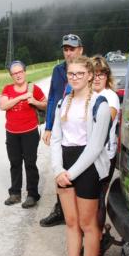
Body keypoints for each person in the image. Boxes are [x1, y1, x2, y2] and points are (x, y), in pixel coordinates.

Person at [49, 55, 110, 256]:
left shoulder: (100, 104)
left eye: (79, 74)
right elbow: (56, 138)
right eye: (71, 74)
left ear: (90, 76)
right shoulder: (64, 102)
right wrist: (57, 170)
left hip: (87, 168)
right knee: (71, 222)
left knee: (88, 224)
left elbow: (95, 147)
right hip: (64, 165)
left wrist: (71, 173)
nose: (75, 78)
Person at [40, 33, 84, 227]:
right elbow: (52, 98)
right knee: (59, 165)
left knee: (81, 169)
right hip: (60, 125)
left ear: (80, 50)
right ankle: (61, 209)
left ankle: (82, 213)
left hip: (79, 126)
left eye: (72, 49)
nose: (68, 53)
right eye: (65, 49)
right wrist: (48, 126)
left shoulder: (87, 70)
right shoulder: (58, 70)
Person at [0, 60, 47, 208]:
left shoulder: (34, 89)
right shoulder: (7, 89)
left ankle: (32, 194)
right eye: (14, 73)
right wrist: (21, 97)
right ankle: (15, 193)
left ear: (24, 72)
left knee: (30, 164)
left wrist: (35, 101)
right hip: (12, 133)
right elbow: (3, 105)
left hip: (30, 132)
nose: (18, 75)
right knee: (15, 163)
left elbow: (46, 104)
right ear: (11, 76)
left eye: (20, 72)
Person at [90, 55, 121, 256]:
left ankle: (99, 243)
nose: (98, 78)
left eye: (102, 74)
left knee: (98, 198)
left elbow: (104, 123)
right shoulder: (88, 95)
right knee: (90, 200)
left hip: (104, 156)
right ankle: (95, 239)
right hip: (88, 155)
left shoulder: (110, 97)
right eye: (94, 74)